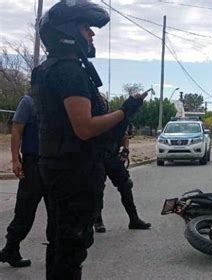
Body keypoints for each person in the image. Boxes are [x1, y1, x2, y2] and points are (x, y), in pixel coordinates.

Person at [33, 1, 144, 278]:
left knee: (60, 241)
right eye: (87, 28)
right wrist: (124, 111)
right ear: (68, 30)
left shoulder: (49, 68)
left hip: (58, 165)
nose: (92, 35)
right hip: (73, 171)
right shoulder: (69, 71)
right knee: (71, 244)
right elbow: (84, 128)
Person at [0, 95, 46, 268]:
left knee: (58, 211)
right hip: (33, 163)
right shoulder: (29, 101)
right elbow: (17, 130)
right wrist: (15, 159)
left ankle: (59, 252)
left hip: (55, 164)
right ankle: (11, 249)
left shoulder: (57, 99)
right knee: (25, 210)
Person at [93, 97, 151, 233]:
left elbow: (124, 135)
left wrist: (125, 150)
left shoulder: (113, 117)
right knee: (96, 189)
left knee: (126, 185)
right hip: (96, 158)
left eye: (103, 103)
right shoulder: (93, 120)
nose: (101, 105)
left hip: (112, 157)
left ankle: (134, 219)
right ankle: (97, 221)